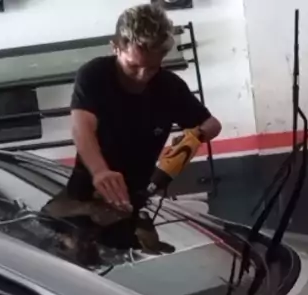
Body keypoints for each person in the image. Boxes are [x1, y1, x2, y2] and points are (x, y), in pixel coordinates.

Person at [64, 3, 222, 212]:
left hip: (136, 196)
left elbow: (212, 125)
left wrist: (195, 136)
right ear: (115, 47)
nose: (142, 76)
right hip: (87, 189)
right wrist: (100, 171)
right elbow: (82, 128)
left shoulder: (169, 87)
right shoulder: (95, 75)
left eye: (152, 68)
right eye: (133, 66)